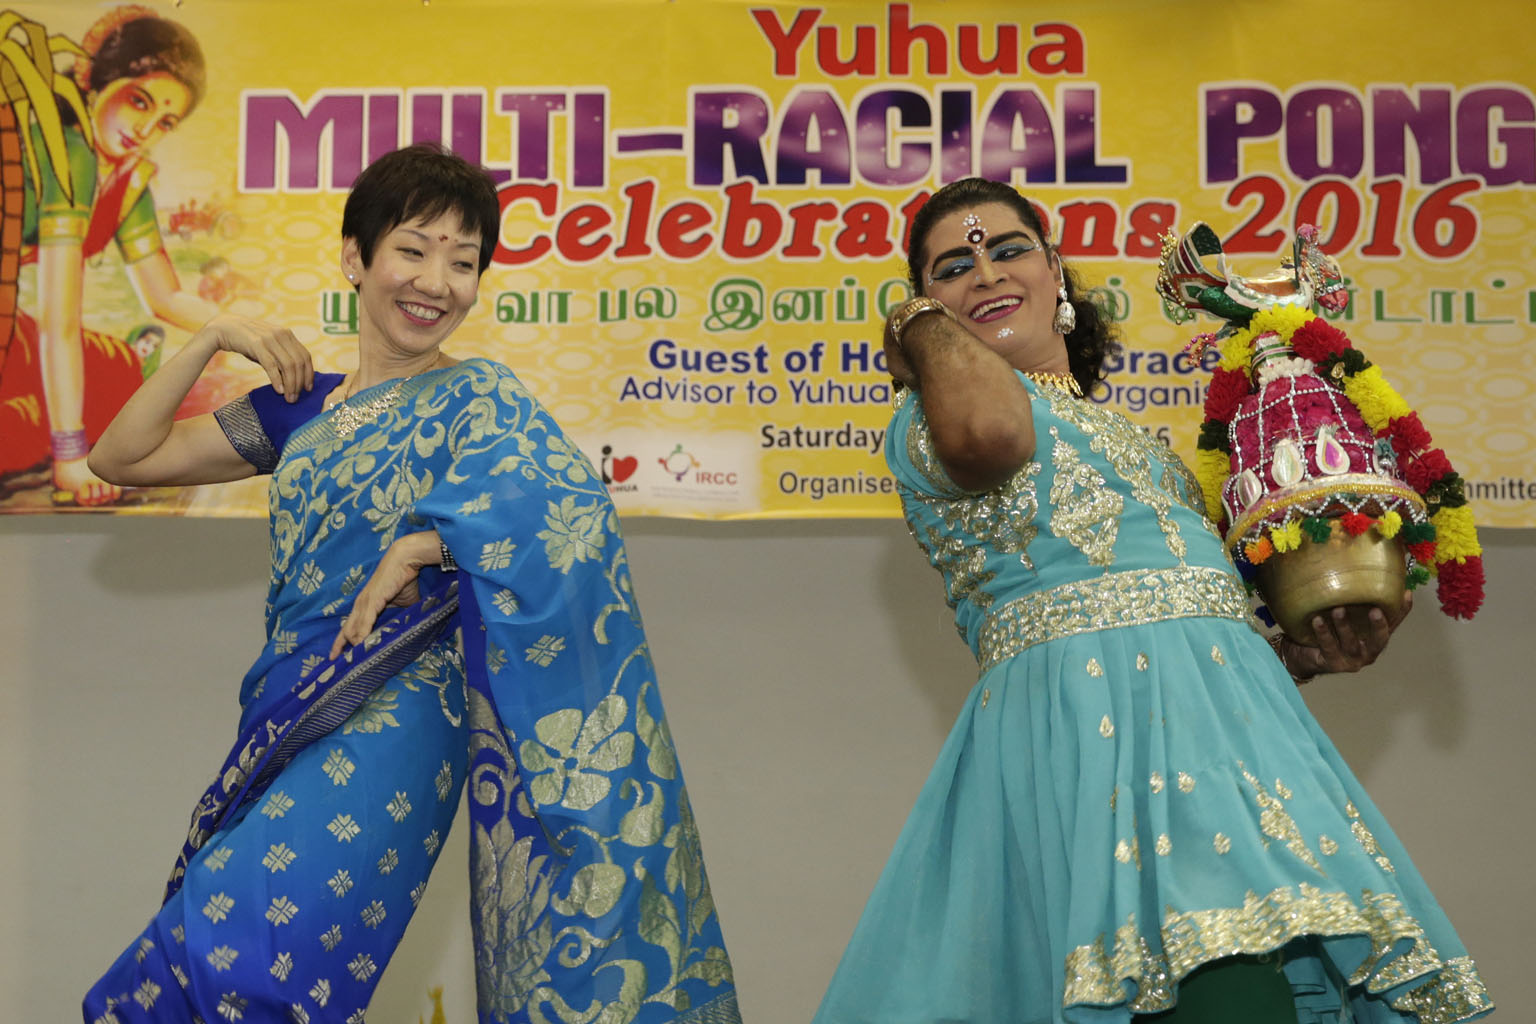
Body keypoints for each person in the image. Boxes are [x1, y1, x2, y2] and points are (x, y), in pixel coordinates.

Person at [81, 144, 739, 1024]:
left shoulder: (481, 401)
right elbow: (120, 456)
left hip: (403, 718)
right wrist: (210, 337)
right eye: (415, 250)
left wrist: (428, 546)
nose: (437, 282)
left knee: (236, 966)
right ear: (355, 257)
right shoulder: (298, 408)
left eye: (463, 262)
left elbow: (565, 510)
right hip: (287, 706)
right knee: (203, 974)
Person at [812, 178, 1492, 1023]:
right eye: (951, 268)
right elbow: (990, 437)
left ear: (1056, 272)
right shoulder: (935, 416)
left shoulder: (1153, 453)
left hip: (1229, 757)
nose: (984, 272)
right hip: (1089, 751)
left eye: (1009, 250)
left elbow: (1192, 626)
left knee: (1254, 990)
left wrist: (1294, 656)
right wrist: (916, 325)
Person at [0, 5, 217, 506]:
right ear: (96, 79)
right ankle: (40, 432)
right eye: (139, 102)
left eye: (164, 122)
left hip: (18, 332)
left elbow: (166, 298)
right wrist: (70, 457)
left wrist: (256, 332)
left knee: (120, 371)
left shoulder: (125, 177)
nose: (145, 129)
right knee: (40, 424)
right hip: (17, 331)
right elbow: (59, 323)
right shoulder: (65, 151)